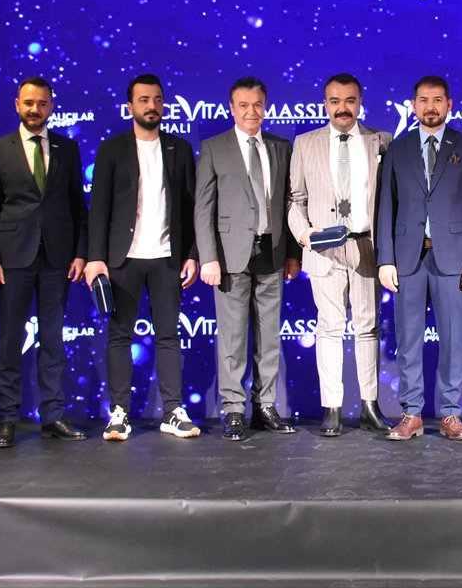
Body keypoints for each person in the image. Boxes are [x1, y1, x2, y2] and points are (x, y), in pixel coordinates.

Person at [84, 75, 199, 441]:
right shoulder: (112, 149)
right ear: (130, 106)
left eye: (158, 100)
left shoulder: (180, 149)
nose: (152, 106)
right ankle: (119, 412)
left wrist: (192, 255)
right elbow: (98, 208)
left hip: (167, 258)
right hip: (123, 260)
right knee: (119, 335)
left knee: (169, 336)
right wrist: (95, 258)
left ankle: (173, 411)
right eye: (144, 100)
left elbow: (191, 208)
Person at [376, 76, 462, 441]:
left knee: (454, 339)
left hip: (454, 260)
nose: (430, 107)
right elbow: (385, 206)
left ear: (449, 105)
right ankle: (411, 413)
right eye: (423, 100)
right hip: (407, 259)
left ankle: (451, 413)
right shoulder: (398, 148)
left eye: (437, 100)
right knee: (408, 339)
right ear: (413, 106)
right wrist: (385, 259)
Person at [0, 77, 88, 448]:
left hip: (57, 259)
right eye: (28, 103)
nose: (35, 109)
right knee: (11, 341)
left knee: (53, 340)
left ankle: (53, 416)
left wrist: (80, 252)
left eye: (42, 103)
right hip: (13, 259)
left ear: (51, 107)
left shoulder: (66, 148)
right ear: (17, 105)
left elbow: (78, 206)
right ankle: (7, 418)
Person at [195, 77, 301, 441]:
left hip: (273, 252)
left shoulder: (280, 147)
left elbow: (290, 204)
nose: (251, 112)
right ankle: (233, 408)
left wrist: (293, 254)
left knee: (269, 336)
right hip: (229, 256)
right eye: (243, 105)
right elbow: (203, 207)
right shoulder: (214, 147)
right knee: (233, 337)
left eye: (257, 105)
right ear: (232, 108)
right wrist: (208, 257)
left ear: (265, 107)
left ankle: (265, 406)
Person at [287, 74, 393, 436]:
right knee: (329, 328)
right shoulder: (305, 143)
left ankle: (370, 406)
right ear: (325, 104)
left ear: (360, 102)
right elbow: (295, 199)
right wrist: (304, 235)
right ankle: (331, 407)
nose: (342, 108)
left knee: (368, 328)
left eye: (349, 100)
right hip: (324, 250)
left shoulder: (381, 140)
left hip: (367, 247)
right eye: (334, 101)